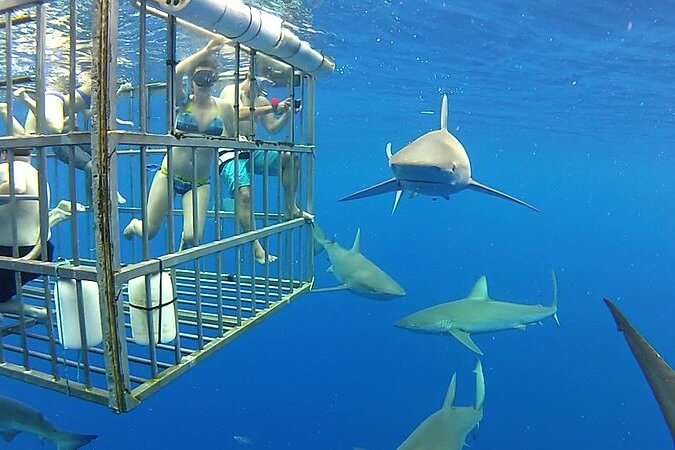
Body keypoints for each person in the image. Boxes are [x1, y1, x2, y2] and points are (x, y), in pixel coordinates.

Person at [123, 37, 278, 250]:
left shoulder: (224, 107)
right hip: (168, 175)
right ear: (191, 79)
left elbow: (232, 137)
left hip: (199, 182)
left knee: (193, 237)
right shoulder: (183, 102)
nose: (205, 82)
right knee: (150, 232)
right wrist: (205, 51)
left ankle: (172, 268)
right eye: (200, 76)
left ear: (215, 80)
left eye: (210, 77)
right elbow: (176, 73)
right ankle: (135, 226)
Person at [217, 54, 310, 264]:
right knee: (245, 194)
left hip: (250, 149)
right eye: (261, 81)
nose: (264, 87)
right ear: (250, 75)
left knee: (291, 157)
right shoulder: (230, 91)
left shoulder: (260, 99)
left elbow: (273, 127)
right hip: (227, 150)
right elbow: (236, 114)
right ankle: (256, 248)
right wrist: (274, 107)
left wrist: (288, 113)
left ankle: (290, 207)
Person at [0, 147, 52, 321]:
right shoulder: (37, 174)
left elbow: (17, 187)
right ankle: (33, 311)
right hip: (42, 251)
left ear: (5, 153)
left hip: (15, 255)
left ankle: (31, 311)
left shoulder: (9, 167)